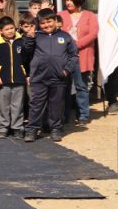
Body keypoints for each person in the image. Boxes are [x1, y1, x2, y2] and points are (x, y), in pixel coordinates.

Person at [25, 9, 78, 143]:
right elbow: (26, 53)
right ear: (38, 24)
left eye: (49, 22)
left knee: (56, 105)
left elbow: (73, 55)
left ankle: (56, 129)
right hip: (39, 78)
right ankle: (32, 130)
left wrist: (66, 70)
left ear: (55, 21)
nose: (46, 25)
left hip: (58, 78)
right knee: (36, 104)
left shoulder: (65, 36)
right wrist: (30, 39)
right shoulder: (35, 36)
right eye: (43, 23)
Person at [58, 0, 98, 124]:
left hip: (83, 56)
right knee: (64, 87)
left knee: (81, 86)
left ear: (78, 1)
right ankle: (64, 116)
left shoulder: (90, 16)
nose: (68, 3)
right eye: (67, 0)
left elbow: (93, 34)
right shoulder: (60, 15)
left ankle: (83, 116)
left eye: (71, 0)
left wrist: (77, 44)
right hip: (65, 57)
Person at [0, 16, 31, 138]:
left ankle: (17, 127)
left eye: (12, 28)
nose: (10, 31)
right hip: (3, 80)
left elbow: (26, 60)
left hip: (19, 79)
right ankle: (2, 127)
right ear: (1, 31)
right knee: (3, 105)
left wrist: (26, 75)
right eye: (7, 29)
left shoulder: (21, 41)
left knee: (17, 105)